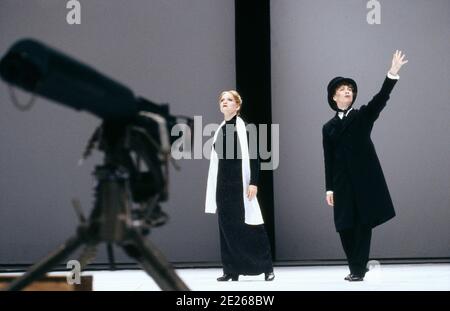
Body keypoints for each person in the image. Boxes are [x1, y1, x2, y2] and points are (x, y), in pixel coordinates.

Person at [322, 51, 408, 281]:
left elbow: (381, 99)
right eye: (341, 89)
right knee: (344, 226)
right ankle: (356, 266)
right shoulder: (328, 128)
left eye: (350, 88)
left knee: (362, 225)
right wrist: (329, 188)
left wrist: (392, 73)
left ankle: (357, 270)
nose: (347, 90)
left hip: (364, 180)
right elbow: (327, 159)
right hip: (341, 183)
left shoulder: (362, 117)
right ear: (333, 97)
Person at [205, 90, 274, 282]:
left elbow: (255, 157)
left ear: (237, 105)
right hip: (223, 185)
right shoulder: (218, 130)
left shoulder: (247, 128)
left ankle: (266, 268)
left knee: (251, 226)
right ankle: (230, 270)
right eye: (222, 100)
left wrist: (253, 182)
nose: (224, 102)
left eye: (229, 100)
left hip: (240, 183)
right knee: (226, 227)